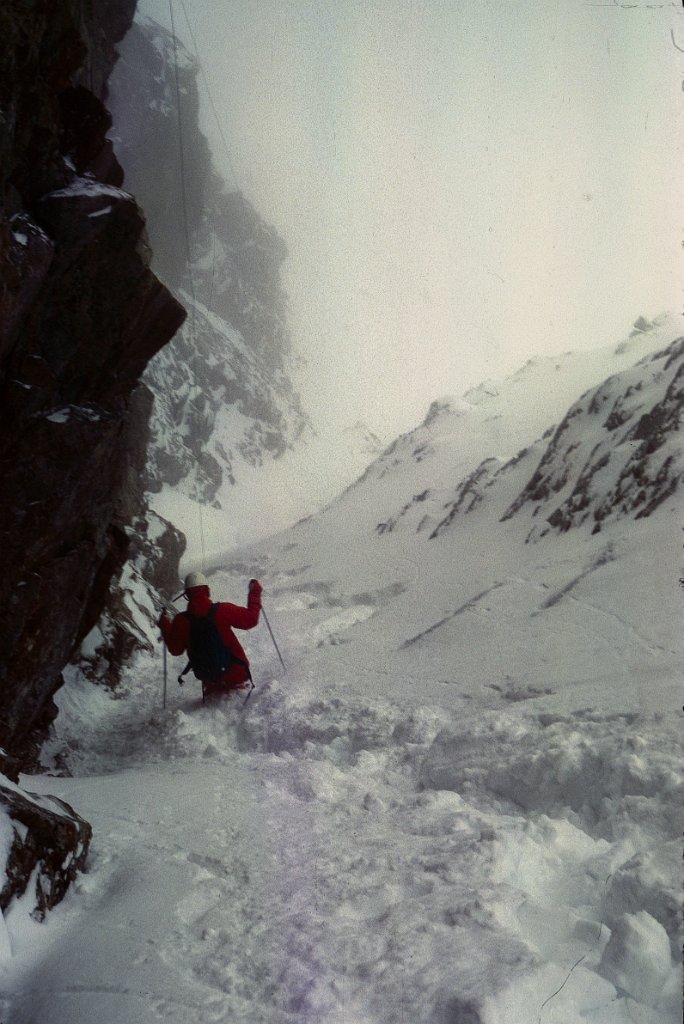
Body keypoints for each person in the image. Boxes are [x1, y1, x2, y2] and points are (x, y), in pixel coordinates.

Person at [159, 573, 262, 694]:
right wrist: (255, 592)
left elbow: (175, 650)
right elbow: (251, 619)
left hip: (210, 680)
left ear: (186, 595)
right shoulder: (223, 610)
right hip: (237, 676)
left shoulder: (181, 621)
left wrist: (165, 626)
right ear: (207, 590)